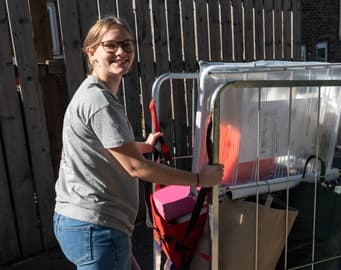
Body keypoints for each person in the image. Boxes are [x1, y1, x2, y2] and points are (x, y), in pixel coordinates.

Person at [53, 16, 224, 270]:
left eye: (127, 45)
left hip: (80, 222)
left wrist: (141, 146)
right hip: (97, 227)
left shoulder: (93, 93)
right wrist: (200, 180)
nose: (121, 52)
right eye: (110, 45)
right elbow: (137, 169)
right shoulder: (100, 102)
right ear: (92, 52)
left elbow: (100, 147)